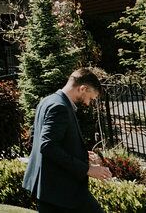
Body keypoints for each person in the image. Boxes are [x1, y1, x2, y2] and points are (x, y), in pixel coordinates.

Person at [23, 68, 111, 213]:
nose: (88, 103)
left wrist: (79, 153)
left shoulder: (47, 101)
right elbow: (47, 146)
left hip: (51, 188)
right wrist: (88, 169)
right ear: (82, 88)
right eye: (91, 97)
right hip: (59, 190)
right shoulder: (60, 107)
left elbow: (40, 140)